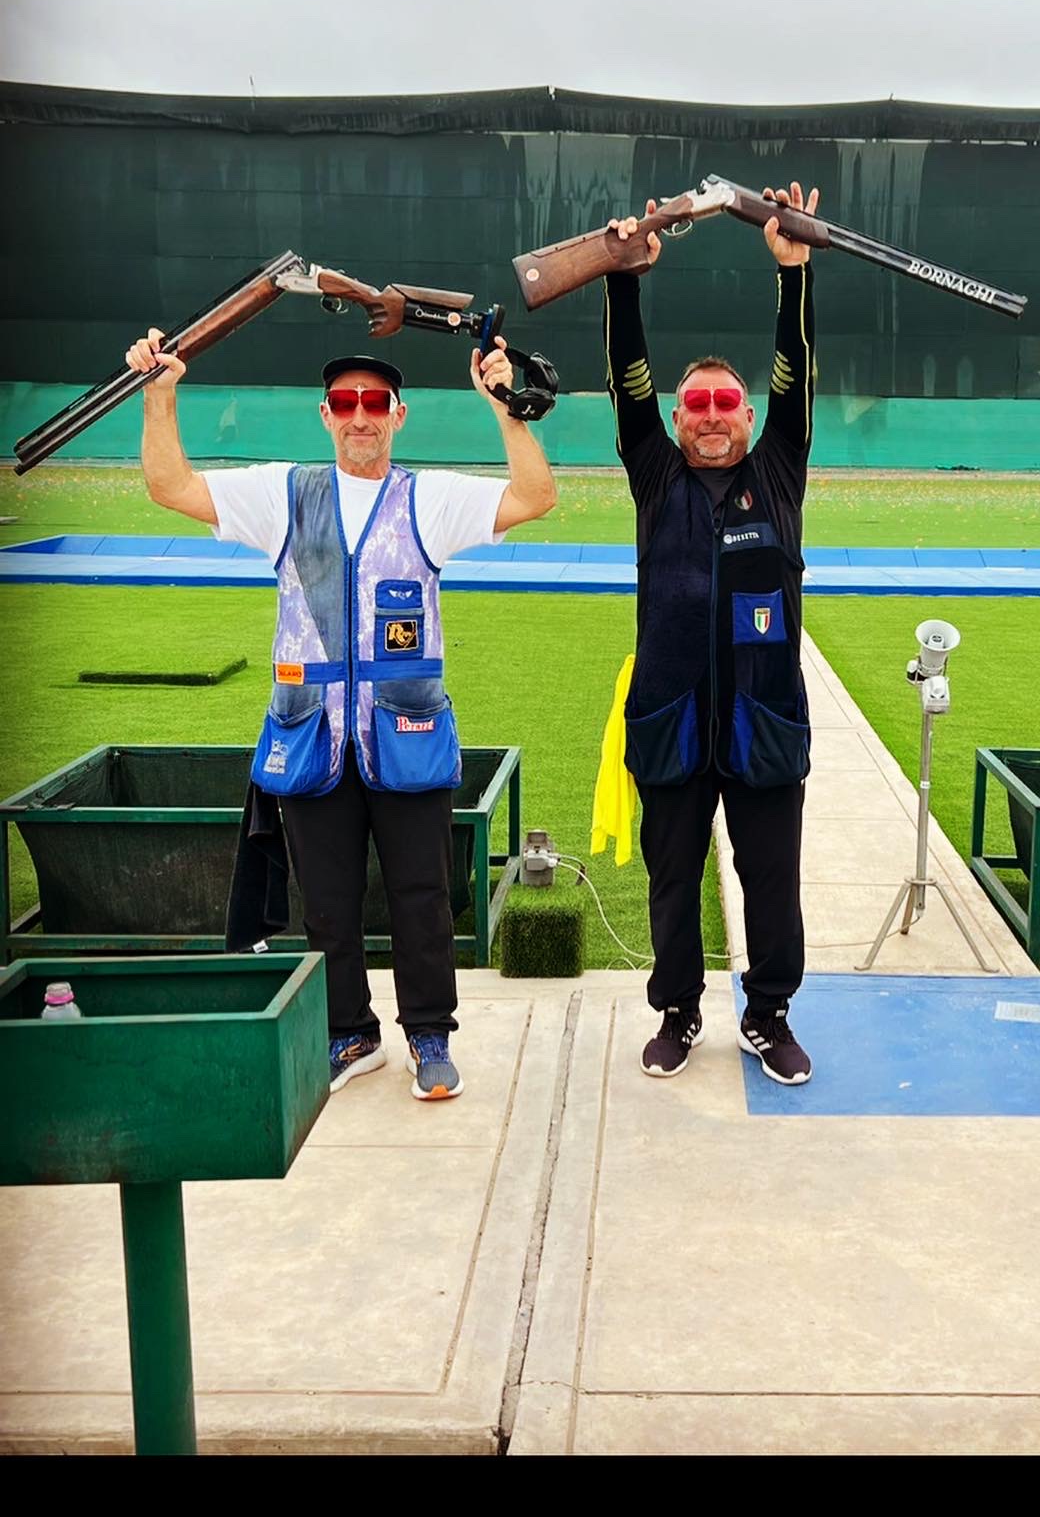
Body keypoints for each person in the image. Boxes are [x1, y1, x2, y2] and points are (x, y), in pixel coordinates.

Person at [124, 329, 556, 1099]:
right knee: (324, 905)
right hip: (310, 737)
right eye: (347, 402)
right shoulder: (283, 493)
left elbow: (535, 496)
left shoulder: (428, 497)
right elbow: (170, 486)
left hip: (407, 735)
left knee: (421, 899)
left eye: (376, 403)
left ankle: (429, 1037)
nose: (362, 416)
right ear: (326, 414)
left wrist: (505, 411)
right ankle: (350, 1036)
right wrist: (160, 395)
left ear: (399, 415)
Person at [603, 182, 819, 1085]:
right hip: (672, 718)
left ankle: (767, 1016)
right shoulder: (653, 474)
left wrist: (794, 280)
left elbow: (796, 369)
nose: (714, 414)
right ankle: (680, 1010)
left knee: (770, 883)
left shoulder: (780, 468)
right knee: (671, 878)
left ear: (750, 412)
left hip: (764, 721)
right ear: (678, 418)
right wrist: (622, 283)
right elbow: (627, 378)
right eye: (697, 404)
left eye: (728, 402)